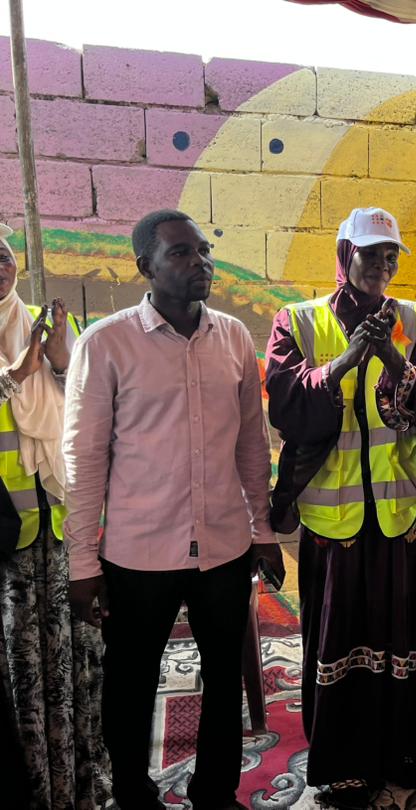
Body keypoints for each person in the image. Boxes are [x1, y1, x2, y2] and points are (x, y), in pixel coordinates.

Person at [63, 209, 283, 810]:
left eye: (204, 251)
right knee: (131, 684)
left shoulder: (234, 338)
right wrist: (82, 563)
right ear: (147, 268)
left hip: (223, 548)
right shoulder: (106, 344)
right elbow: (83, 463)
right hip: (138, 554)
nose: (200, 264)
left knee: (224, 680)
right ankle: (134, 794)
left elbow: (250, 444)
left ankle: (216, 792)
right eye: (182, 254)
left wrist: (261, 530)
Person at [264, 207, 416, 809]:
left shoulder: (414, 319)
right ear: (345, 253)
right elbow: (287, 407)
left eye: (392, 255)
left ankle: (396, 749)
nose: (383, 266)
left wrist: (394, 361)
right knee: (338, 639)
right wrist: (345, 361)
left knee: (400, 633)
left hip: (398, 512)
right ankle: (341, 764)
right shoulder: (299, 321)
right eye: (372, 254)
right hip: (333, 515)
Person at [0, 224, 108, 809]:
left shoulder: (44, 320)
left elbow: (90, 408)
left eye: (4, 253)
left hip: (59, 522)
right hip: (4, 539)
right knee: (21, 665)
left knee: (75, 657)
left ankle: (80, 782)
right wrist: (11, 378)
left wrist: (64, 358)